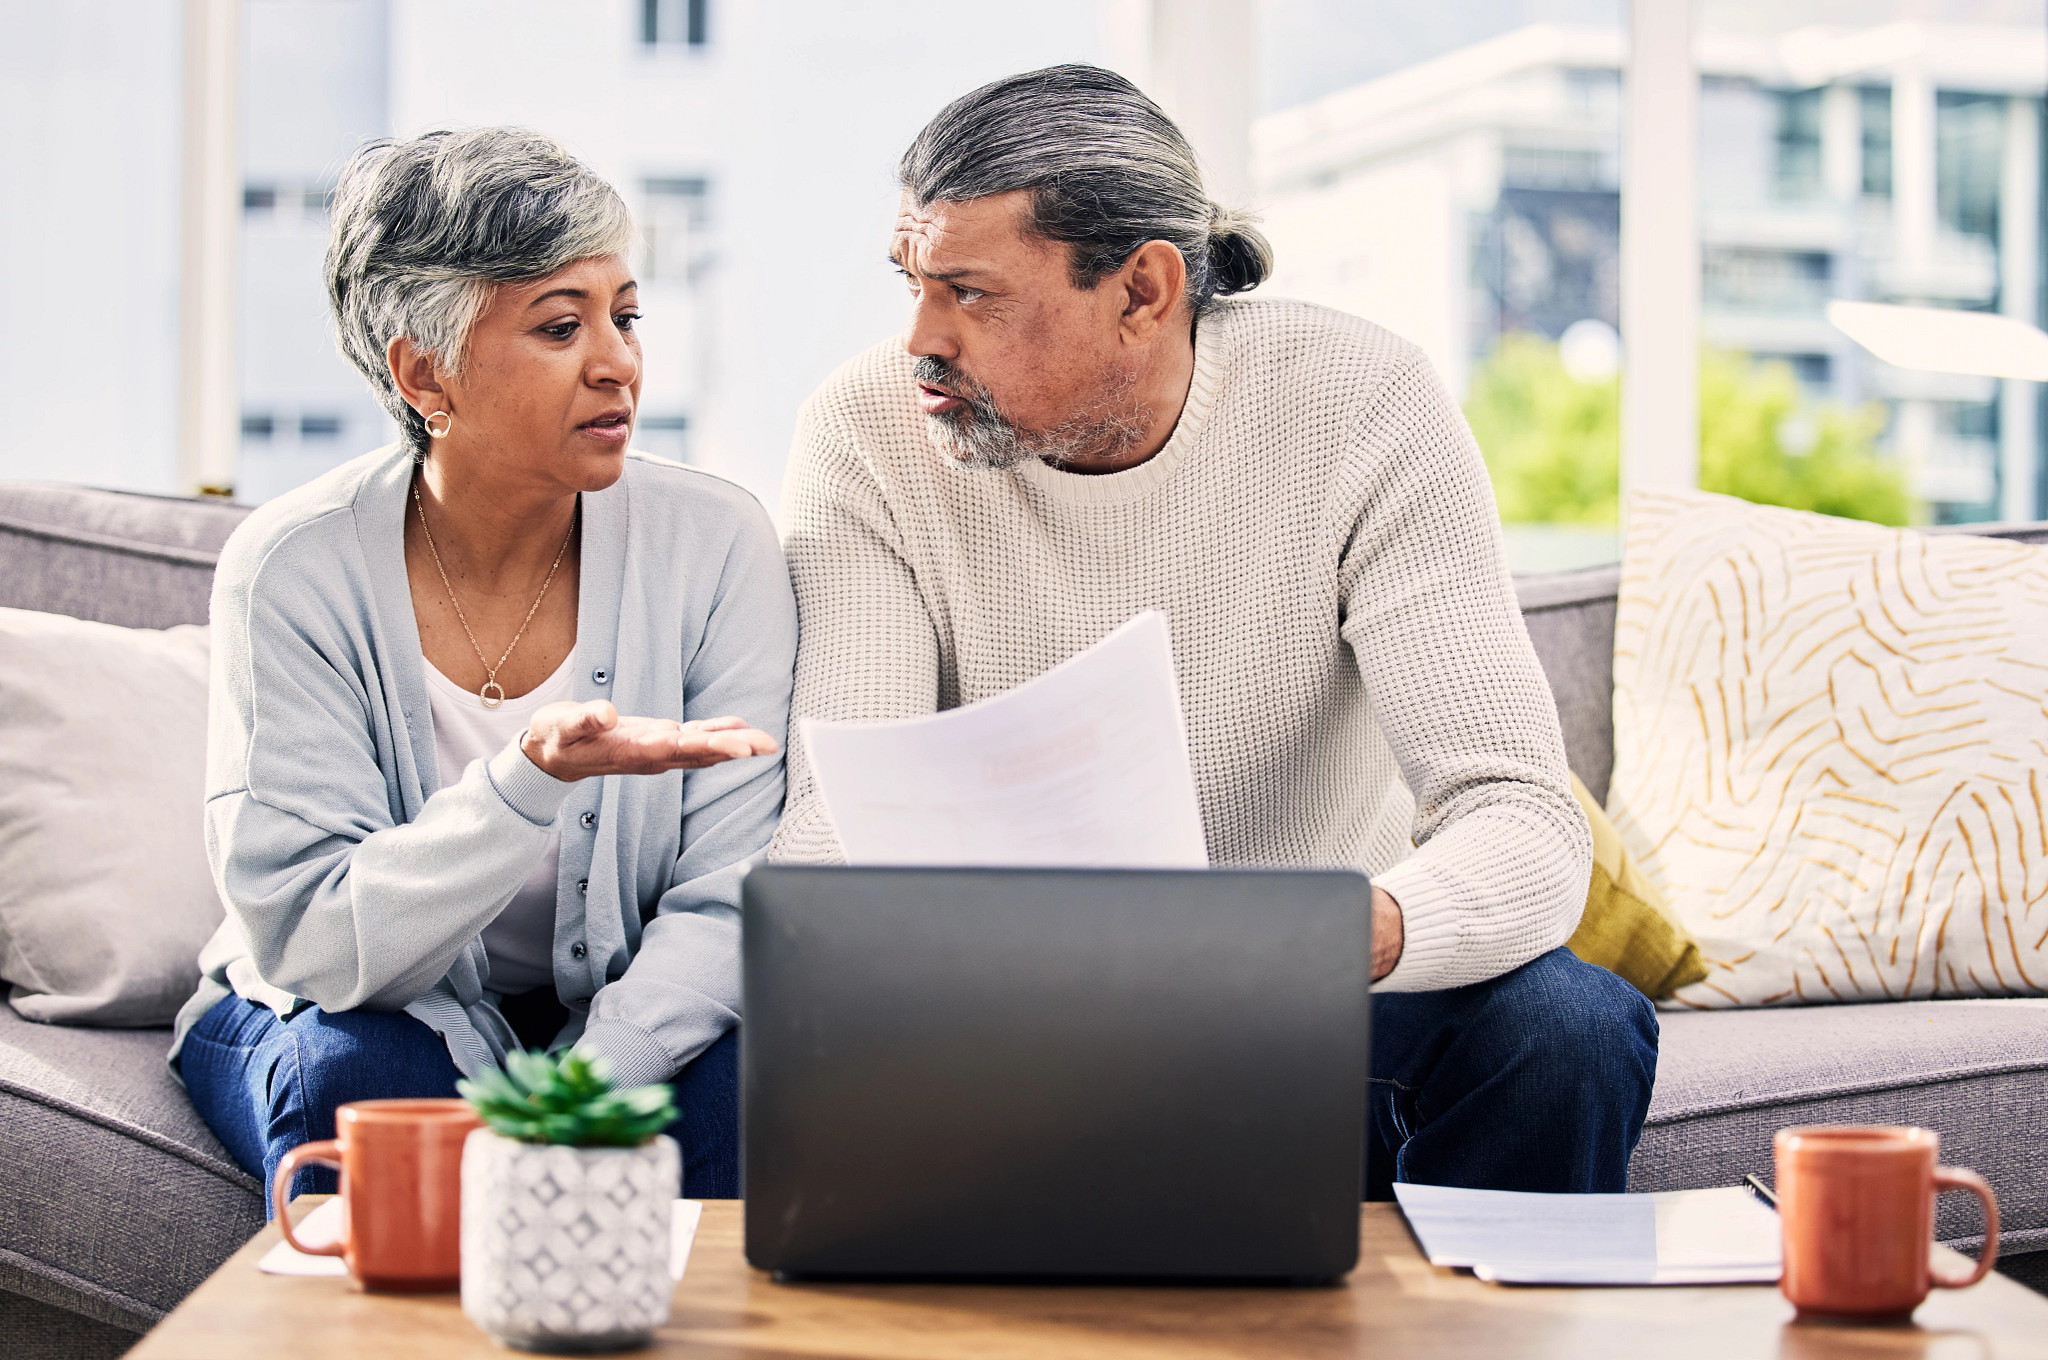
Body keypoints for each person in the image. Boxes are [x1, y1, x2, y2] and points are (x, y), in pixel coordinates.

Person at [770, 65, 1657, 1195]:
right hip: (1003, 1013)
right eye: (910, 283)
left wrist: (1350, 933)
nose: (919, 341)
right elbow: (837, 823)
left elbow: (1521, 818)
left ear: (1142, 290)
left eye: (970, 293)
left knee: (1569, 1026)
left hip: (1318, 1002)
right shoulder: (863, 434)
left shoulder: (1358, 401)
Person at [173, 128, 795, 1204]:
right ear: (425, 372)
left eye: (625, 314)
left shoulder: (716, 541)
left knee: (762, 1080)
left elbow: (733, 894)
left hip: (625, 1005)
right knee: (358, 1087)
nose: (618, 361)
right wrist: (528, 781)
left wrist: (583, 1089)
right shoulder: (289, 569)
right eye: (561, 325)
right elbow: (317, 941)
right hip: (349, 1004)